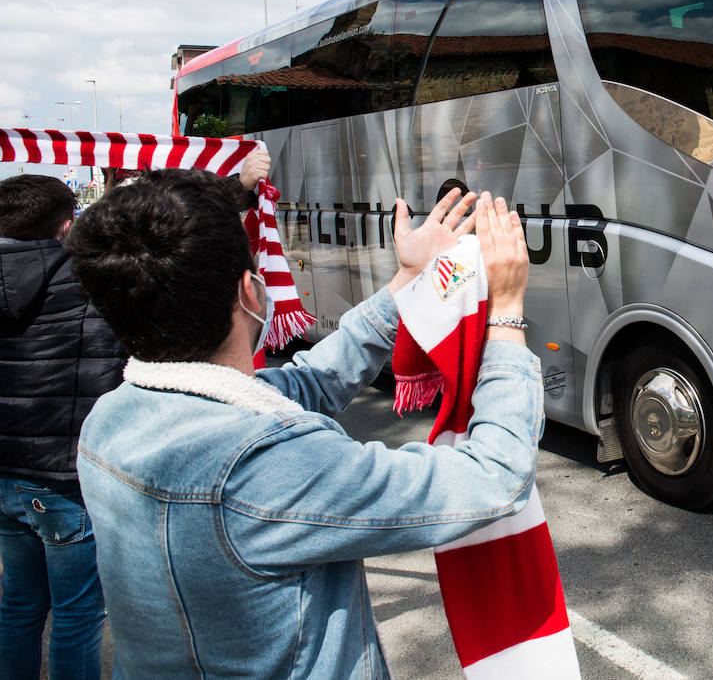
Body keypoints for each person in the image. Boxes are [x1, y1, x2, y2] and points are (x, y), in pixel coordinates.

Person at [66, 170, 540, 678]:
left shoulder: (109, 419)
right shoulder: (268, 466)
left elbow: (311, 379)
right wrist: (507, 312)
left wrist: (408, 280)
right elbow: (493, 477)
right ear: (250, 292)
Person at [0, 174, 127, 679]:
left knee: (19, 604)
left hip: (4, 474)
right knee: (76, 614)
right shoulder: (89, 280)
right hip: (65, 478)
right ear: (66, 224)